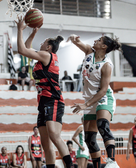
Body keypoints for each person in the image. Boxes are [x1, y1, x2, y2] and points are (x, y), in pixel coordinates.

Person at [15, 16, 73, 168]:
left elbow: (22, 49)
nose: (40, 44)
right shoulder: (43, 57)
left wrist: (20, 29)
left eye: (43, 42)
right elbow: (27, 48)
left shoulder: (47, 56)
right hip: (43, 102)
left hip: (53, 100)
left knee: (54, 135)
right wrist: (33, 33)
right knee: (46, 143)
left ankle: (71, 165)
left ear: (48, 47)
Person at [68, 34, 122, 168]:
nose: (94, 41)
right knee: (89, 139)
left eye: (98, 40)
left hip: (103, 97)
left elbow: (103, 90)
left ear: (104, 46)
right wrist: (74, 38)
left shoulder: (106, 65)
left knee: (102, 124)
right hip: (89, 100)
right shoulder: (89, 52)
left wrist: (85, 105)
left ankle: (111, 161)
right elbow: (78, 42)